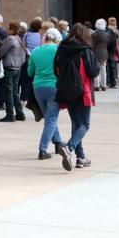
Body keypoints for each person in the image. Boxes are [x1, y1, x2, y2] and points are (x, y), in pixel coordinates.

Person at [54, 23, 98, 170]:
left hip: (67, 91)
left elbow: (56, 69)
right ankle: (69, 147)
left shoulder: (61, 49)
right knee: (85, 124)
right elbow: (93, 71)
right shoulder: (86, 50)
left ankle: (80, 157)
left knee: (76, 123)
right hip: (83, 90)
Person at [29, 27, 69, 165]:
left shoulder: (35, 51)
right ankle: (42, 149)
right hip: (54, 86)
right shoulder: (58, 51)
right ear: (57, 39)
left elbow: (30, 71)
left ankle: (58, 142)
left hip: (38, 87)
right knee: (51, 119)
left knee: (49, 116)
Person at [0, 22, 26, 121]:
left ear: (11, 29)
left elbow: (1, 52)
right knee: (15, 91)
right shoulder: (19, 38)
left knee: (8, 91)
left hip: (9, 66)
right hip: (18, 67)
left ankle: (10, 114)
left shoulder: (10, 39)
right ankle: (20, 113)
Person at [90, 20, 111, 92]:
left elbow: (92, 44)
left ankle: (97, 85)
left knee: (96, 69)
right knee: (103, 69)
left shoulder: (94, 34)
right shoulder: (107, 34)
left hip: (95, 52)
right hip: (104, 52)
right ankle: (104, 85)